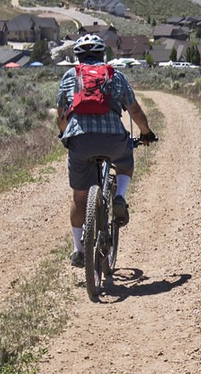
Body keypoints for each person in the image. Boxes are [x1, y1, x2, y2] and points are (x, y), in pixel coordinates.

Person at [56, 33, 156, 267]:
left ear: (78, 57)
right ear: (103, 54)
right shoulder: (116, 75)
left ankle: (78, 249)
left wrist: (64, 134)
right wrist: (146, 133)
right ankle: (119, 196)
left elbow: (61, 115)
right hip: (112, 138)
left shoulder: (70, 76)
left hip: (80, 140)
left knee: (79, 197)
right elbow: (135, 111)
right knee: (124, 160)